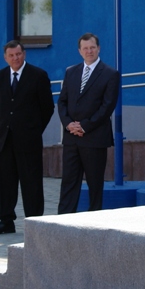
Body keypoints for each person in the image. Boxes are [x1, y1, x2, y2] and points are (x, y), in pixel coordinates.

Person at [0, 41, 55, 235]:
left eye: (18, 54)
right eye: (11, 55)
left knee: (31, 182)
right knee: (5, 182)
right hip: (5, 138)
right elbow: (0, 105)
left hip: (29, 139)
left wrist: (34, 129)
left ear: (24, 54)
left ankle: (34, 223)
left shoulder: (38, 75)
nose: (15, 58)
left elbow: (47, 107)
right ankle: (6, 221)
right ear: (5, 58)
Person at [57, 33, 120, 214]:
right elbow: (62, 102)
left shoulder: (110, 74)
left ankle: (93, 221)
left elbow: (107, 106)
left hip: (94, 138)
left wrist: (84, 126)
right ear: (80, 51)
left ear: (98, 48)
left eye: (92, 47)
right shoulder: (71, 72)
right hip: (71, 138)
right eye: (85, 48)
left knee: (94, 183)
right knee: (69, 182)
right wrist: (69, 124)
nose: (89, 51)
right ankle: (63, 220)